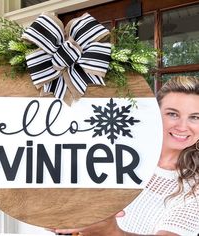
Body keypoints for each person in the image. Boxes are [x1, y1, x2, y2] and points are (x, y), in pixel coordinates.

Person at [53, 76, 199, 236]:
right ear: (155, 114)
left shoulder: (195, 189)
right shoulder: (115, 153)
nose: (182, 127)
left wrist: (111, 231)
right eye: (172, 114)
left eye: (195, 117)